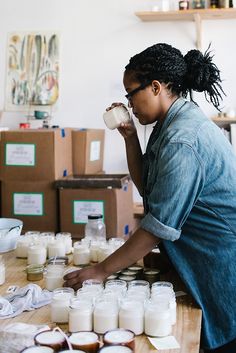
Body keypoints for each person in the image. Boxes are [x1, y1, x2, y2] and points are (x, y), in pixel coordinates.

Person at [64, 43, 236, 353]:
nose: (128, 102)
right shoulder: (168, 125)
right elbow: (150, 190)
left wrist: (101, 271)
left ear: (155, 87)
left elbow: (157, 225)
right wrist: (130, 138)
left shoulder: (183, 140)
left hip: (218, 264)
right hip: (199, 259)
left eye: (131, 93)